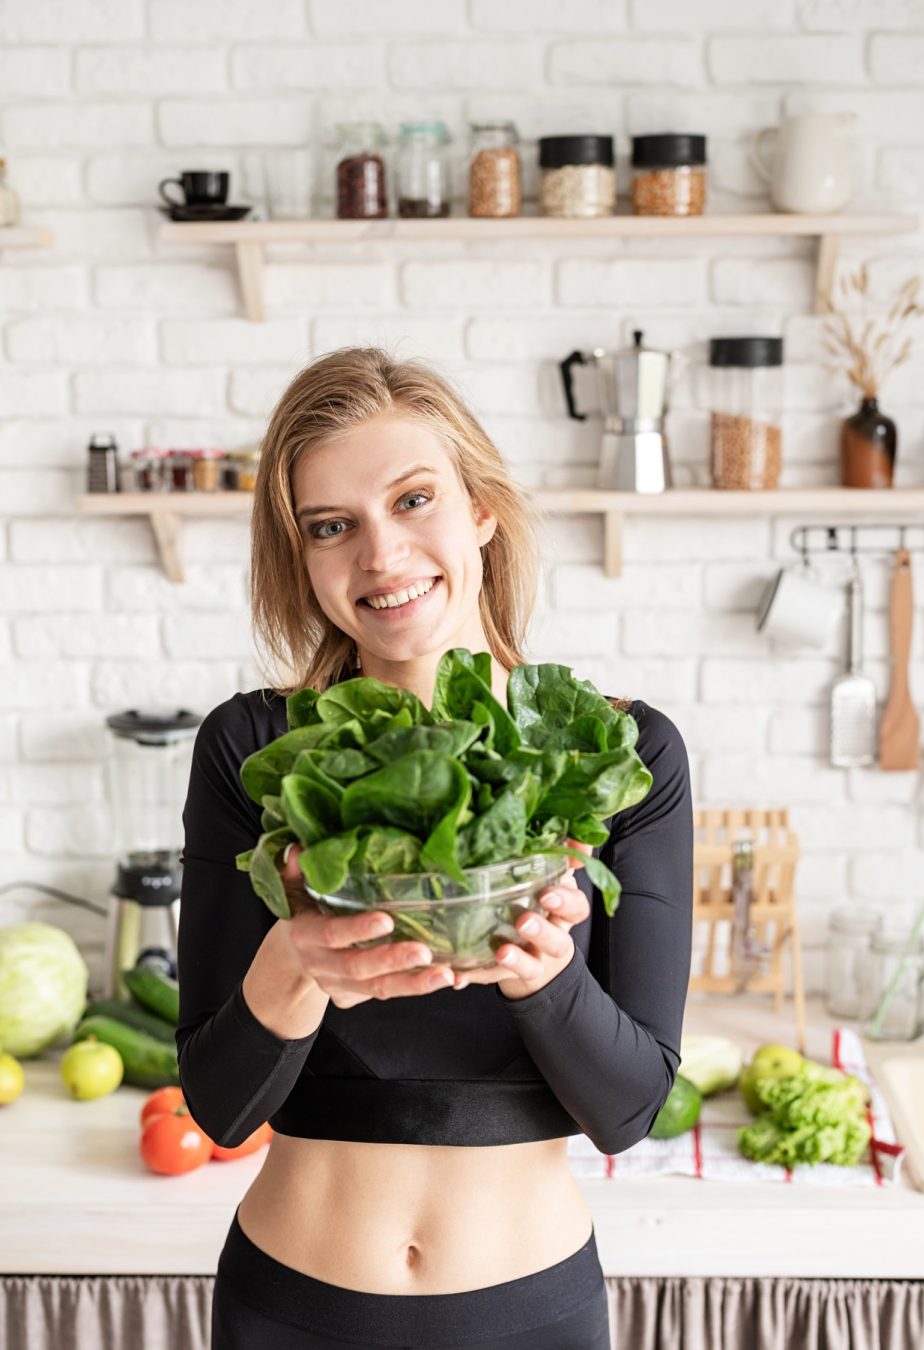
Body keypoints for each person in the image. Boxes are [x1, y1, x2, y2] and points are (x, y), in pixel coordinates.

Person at [175, 347, 693, 1350]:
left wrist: (545, 978)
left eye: (414, 501)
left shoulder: (613, 754)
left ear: (482, 512)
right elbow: (222, 1110)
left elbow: (630, 1111)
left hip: (533, 1313)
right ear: (304, 560)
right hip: (290, 1307)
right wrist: (293, 965)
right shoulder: (255, 751)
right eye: (333, 526)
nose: (379, 555)